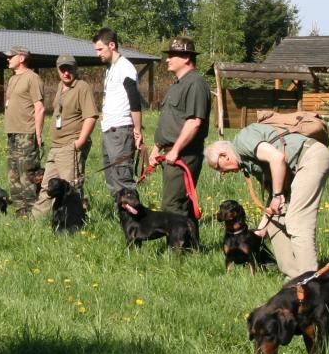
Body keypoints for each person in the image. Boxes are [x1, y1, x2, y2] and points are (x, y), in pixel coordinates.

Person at [204, 117, 329, 280]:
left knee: (297, 221)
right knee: (275, 221)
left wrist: (278, 195)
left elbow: (277, 158)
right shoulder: (247, 162)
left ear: (224, 156)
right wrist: (261, 229)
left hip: (309, 157)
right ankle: (293, 278)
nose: (221, 172)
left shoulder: (243, 141)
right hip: (296, 169)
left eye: (218, 167)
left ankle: (309, 281)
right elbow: (273, 197)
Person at [149, 37, 209, 222]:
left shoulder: (196, 83)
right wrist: (156, 148)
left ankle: (176, 250)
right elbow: (171, 120)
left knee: (173, 206)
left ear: (186, 58)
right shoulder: (178, 83)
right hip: (171, 153)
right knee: (183, 205)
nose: (167, 59)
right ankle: (192, 249)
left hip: (184, 154)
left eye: (172, 55)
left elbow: (194, 122)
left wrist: (175, 150)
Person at [33, 54, 98, 221]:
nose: (66, 73)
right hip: (56, 147)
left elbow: (90, 117)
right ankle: (35, 223)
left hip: (70, 146)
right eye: (62, 69)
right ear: (57, 69)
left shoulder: (82, 87)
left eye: (69, 69)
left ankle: (76, 223)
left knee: (71, 189)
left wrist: (80, 142)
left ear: (75, 69)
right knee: (47, 187)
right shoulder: (61, 86)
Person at [93, 27, 143, 200]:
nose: (98, 53)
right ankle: (121, 217)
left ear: (112, 45)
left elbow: (135, 101)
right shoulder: (110, 68)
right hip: (109, 130)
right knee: (112, 179)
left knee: (123, 180)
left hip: (121, 131)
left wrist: (137, 130)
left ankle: (135, 221)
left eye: (100, 49)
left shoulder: (126, 68)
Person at [2, 46, 44, 216]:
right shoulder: (12, 79)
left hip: (26, 133)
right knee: (13, 174)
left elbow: (39, 107)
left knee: (27, 173)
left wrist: (38, 134)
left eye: (11, 56)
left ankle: (33, 210)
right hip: (12, 133)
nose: (8, 59)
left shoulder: (32, 78)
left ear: (21, 58)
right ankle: (20, 211)